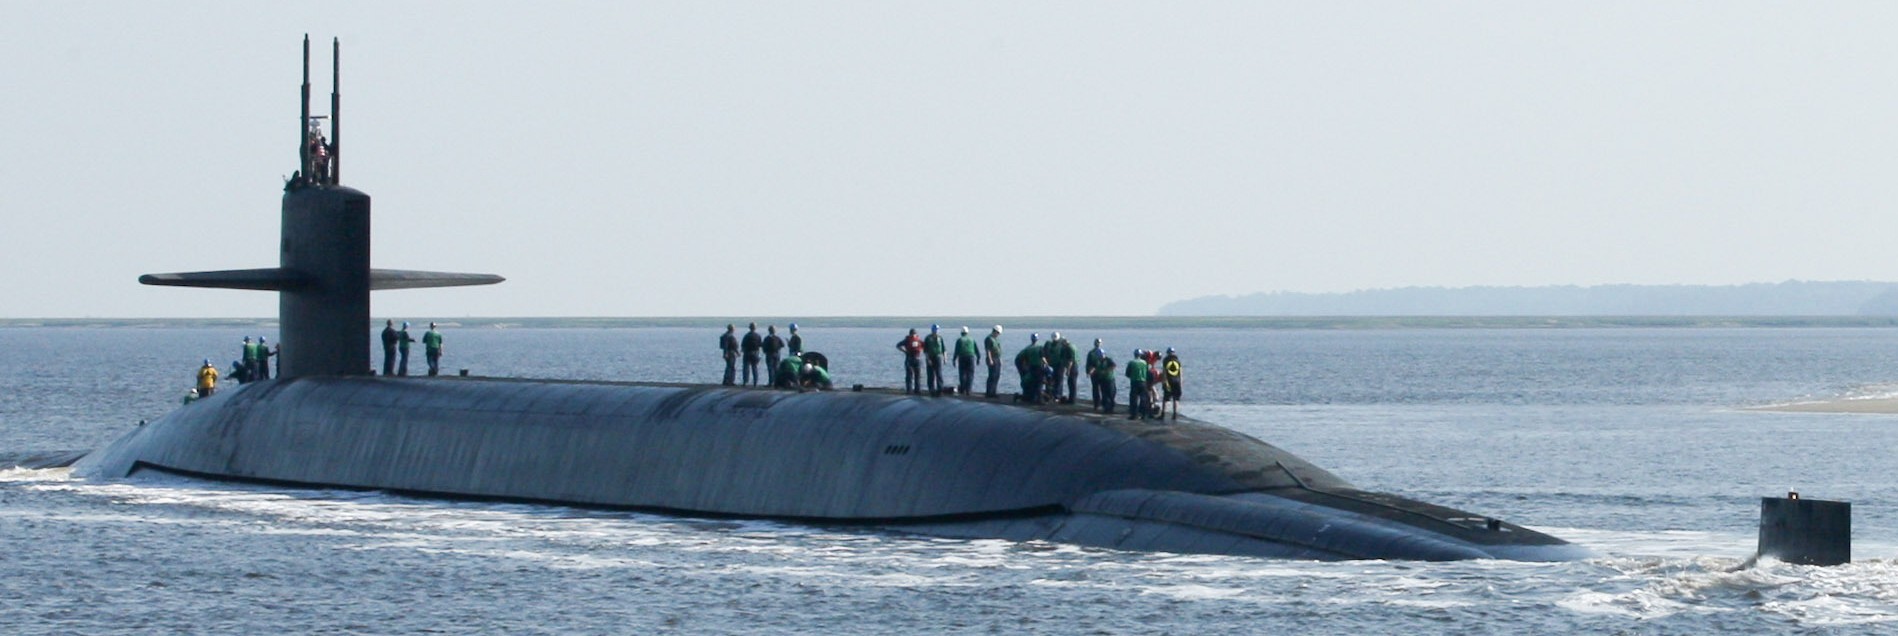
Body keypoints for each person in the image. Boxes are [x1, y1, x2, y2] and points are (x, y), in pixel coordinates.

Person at [1015, 333, 1045, 403]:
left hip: (1025, 364)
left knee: (1029, 380)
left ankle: (1029, 395)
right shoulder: (1037, 348)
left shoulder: (1028, 348)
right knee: (1031, 380)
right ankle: (1030, 396)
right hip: (1024, 364)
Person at [896, 328, 924, 394]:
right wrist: (905, 351)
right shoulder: (908, 340)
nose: (913, 335)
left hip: (916, 359)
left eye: (914, 334)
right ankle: (910, 390)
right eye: (912, 334)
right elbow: (898, 346)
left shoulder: (918, 340)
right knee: (909, 375)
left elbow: (924, 346)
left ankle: (917, 390)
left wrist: (921, 351)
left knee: (917, 376)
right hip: (910, 358)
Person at [1125, 349, 1151, 420]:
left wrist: (1132, 376)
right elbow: (1148, 373)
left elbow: (1127, 374)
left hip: (1134, 382)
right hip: (1143, 382)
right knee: (1143, 399)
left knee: (1133, 399)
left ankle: (1134, 415)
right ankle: (1143, 414)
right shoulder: (1145, 363)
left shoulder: (1131, 362)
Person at [953, 326, 978, 396]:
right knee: (970, 374)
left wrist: (954, 359)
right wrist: (978, 358)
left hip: (962, 357)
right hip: (971, 357)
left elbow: (956, 351)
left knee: (962, 374)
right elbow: (976, 349)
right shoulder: (972, 339)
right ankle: (968, 390)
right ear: (967, 332)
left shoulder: (959, 340)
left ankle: (963, 390)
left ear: (961, 333)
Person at [922, 324, 946, 396]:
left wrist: (945, 358)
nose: (936, 331)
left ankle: (940, 389)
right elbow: (925, 350)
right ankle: (931, 389)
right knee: (930, 374)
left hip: (938, 357)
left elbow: (944, 349)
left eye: (937, 330)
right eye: (935, 330)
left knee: (939, 373)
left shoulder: (940, 338)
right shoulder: (928, 338)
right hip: (930, 357)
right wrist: (928, 359)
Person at [1085, 338, 1107, 410]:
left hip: (1101, 373)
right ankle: (1097, 404)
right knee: (1096, 389)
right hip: (1095, 373)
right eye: (1097, 343)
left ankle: (1103, 404)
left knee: (1103, 389)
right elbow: (1088, 363)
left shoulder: (1103, 352)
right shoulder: (1091, 353)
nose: (1098, 344)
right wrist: (1088, 371)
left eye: (1099, 343)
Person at [1162, 347, 1183, 420]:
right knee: (1175, 398)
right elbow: (1180, 373)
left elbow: (1164, 372)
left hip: (1169, 381)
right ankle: (1175, 414)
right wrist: (1181, 383)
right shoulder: (1178, 361)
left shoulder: (1166, 360)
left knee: (1165, 398)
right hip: (1177, 381)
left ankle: (1163, 414)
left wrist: (1164, 382)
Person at [1057, 334, 1079, 404]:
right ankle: (1071, 398)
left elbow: (1070, 361)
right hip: (1075, 366)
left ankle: (1072, 400)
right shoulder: (1072, 346)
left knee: (1072, 384)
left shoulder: (1069, 348)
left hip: (1072, 367)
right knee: (1071, 383)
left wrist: (1068, 370)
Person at [983, 325, 1004, 398]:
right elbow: (988, 350)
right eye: (998, 333)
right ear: (995, 331)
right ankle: (989, 392)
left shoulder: (996, 339)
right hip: (992, 358)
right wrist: (990, 359)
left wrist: (1000, 359)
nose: (998, 335)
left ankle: (993, 391)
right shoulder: (989, 339)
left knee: (997, 376)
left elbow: (998, 349)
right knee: (992, 375)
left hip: (997, 358)